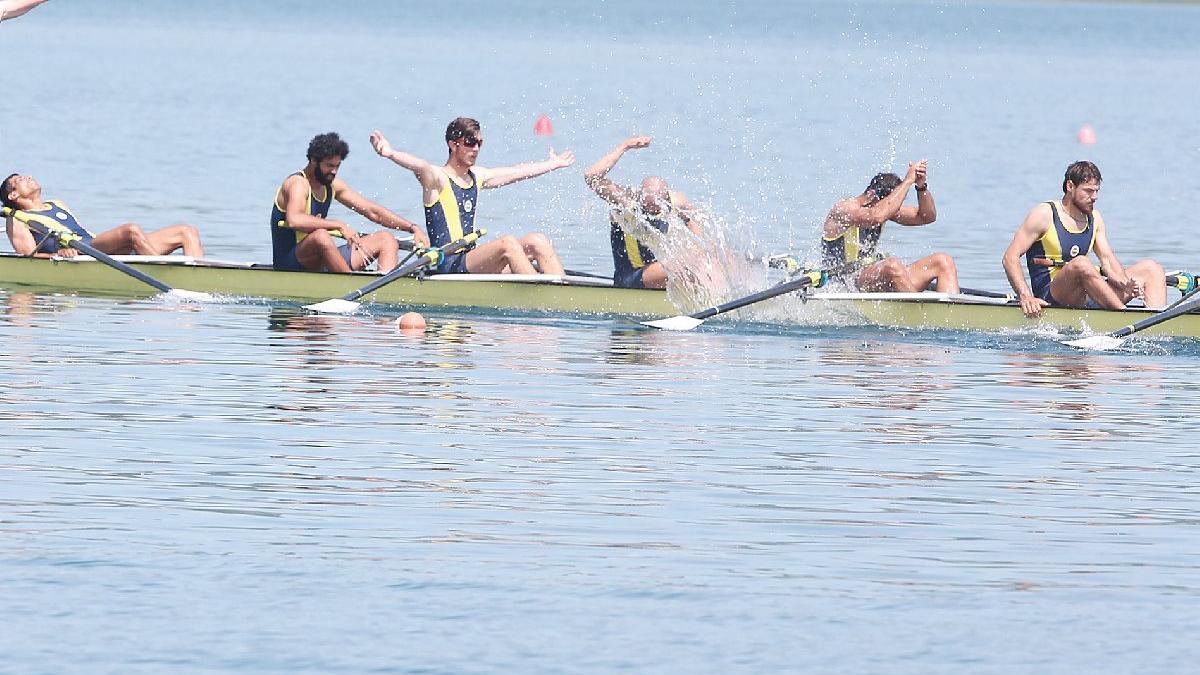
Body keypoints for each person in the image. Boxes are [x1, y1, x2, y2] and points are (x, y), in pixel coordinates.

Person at [369, 117, 573, 275]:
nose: (475, 149)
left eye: (479, 143)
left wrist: (553, 164)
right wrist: (390, 153)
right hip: (449, 263)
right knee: (507, 243)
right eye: (469, 142)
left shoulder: (478, 176)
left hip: (470, 260)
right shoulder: (438, 179)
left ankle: (568, 298)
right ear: (452, 144)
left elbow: (515, 172)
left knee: (536, 240)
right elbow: (420, 166)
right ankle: (543, 298)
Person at [1002, 160, 1166, 318]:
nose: (1094, 197)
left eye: (1097, 191)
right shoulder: (1044, 214)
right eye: (1088, 191)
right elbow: (1010, 257)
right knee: (1081, 263)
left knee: (1152, 269)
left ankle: (1158, 325)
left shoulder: (1095, 218)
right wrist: (1025, 296)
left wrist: (1126, 283)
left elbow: (1107, 261)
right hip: (1052, 297)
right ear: (1070, 186)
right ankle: (1122, 315)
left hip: (1087, 296)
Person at [271, 132, 427, 274]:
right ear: (313, 160)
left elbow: (373, 212)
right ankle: (351, 285)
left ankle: (384, 291)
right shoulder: (298, 183)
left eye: (337, 166)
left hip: (320, 258)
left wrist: (412, 228)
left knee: (386, 239)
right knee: (321, 236)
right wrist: (339, 225)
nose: (334, 171)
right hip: (290, 262)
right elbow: (294, 220)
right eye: (329, 166)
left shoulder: (332, 186)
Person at [583, 135, 705, 289]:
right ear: (641, 196)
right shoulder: (625, 202)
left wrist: (701, 248)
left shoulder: (677, 201)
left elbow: (694, 220)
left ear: (665, 197)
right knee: (681, 263)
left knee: (711, 258)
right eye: (648, 205)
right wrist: (624, 146)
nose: (653, 209)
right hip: (629, 277)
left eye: (656, 206)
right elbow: (591, 176)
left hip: (658, 272)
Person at [821, 160, 959, 293]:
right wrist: (907, 181)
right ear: (871, 195)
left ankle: (953, 313)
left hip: (872, 277)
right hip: (846, 281)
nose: (894, 208)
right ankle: (919, 312)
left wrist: (921, 187)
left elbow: (927, 217)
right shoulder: (844, 209)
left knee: (943, 261)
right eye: (893, 203)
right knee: (891, 265)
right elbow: (877, 216)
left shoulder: (882, 208)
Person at [2, 173, 205, 258]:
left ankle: (200, 278)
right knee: (131, 230)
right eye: (20, 179)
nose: (28, 177)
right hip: (79, 254)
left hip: (94, 245)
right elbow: (27, 255)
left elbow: (81, 232)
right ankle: (168, 277)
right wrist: (58, 255)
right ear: (13, 195)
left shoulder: (57, 204)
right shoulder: (17, 218)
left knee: (186, 231)